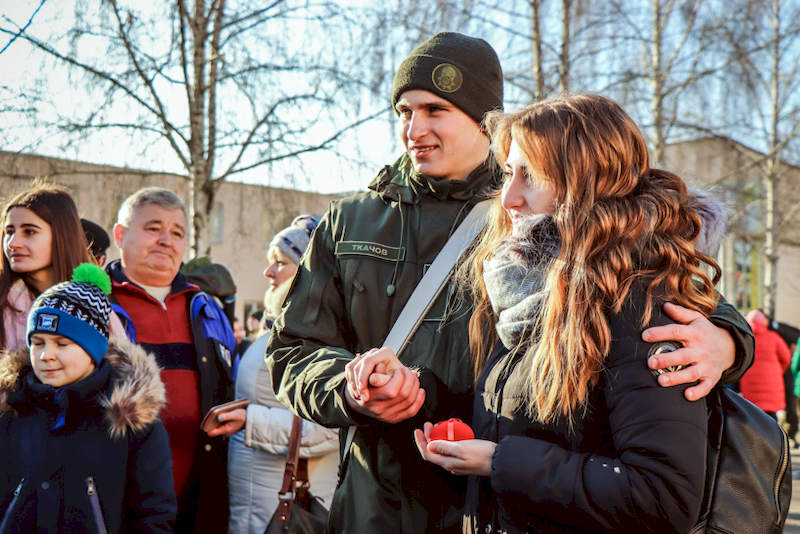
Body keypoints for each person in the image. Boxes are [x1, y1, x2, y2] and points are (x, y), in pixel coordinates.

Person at [267, 33, 755, 534]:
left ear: (482, 118)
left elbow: (661, 296)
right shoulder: (351, 222)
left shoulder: (537, 216)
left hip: (499, 501)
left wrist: (729, 341)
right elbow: (292, 348)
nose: (414, 129)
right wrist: (355, 390)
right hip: (379, 504)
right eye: (403, 111)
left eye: (435, 110)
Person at [413, 94, 732, 532]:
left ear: (584, 184)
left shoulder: (636, 302)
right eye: (508, 173)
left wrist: (501, 461)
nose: (508, 198)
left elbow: (663, 497)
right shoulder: (525, 288)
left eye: (531, 176)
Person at [0, 263, 176, 532]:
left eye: (62, 343)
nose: (46, 355)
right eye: (38, 342)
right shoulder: (11, 408)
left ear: (93, 348)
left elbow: (153, 515)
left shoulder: (132, 420)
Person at [107, 186, 236, 533]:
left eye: (177, 232)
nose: (166, 240)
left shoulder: (208, 308)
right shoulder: (94, 304)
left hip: (201, 497)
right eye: (153, 228)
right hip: (118, 498)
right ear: (120, 235)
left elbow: (231, 387)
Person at [217, 215, 339, 534]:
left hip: (291, 504)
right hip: (254, 500)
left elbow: (331, 429)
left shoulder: (325, 332)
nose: (268, 272)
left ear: (309, 269)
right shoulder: (280, 324)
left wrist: (250, 421)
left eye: (280, 262)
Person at [1, 183, 95, 350]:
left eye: (29, 231)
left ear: (62, 236)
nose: (12, 243)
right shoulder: (4, 302)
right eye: (9, 232)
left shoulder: (93, 302)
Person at [740, 309, 791, 419]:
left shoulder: (744, 339)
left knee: (754, 419)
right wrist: (779, 371)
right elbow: (786, 358)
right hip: (773, 384)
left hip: (750, 386)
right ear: (765, 322)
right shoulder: (774, 337)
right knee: (772, 421)